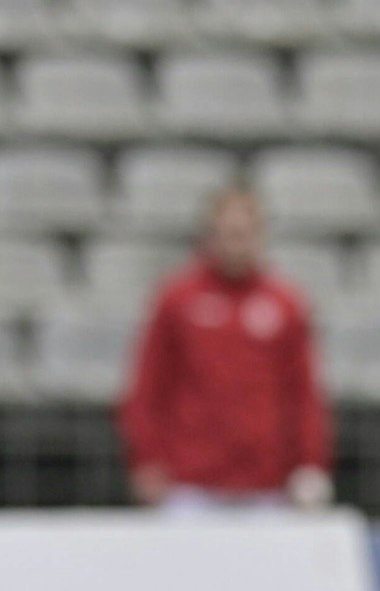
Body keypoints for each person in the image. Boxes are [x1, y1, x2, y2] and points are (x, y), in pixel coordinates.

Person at [119, 184, 333, 514]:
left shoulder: (285, 305)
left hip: (267, 485)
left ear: (260, 236)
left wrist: (309, 463)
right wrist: (147, 457)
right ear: (209, 236)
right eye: (228, 234)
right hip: (190, 485)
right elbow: (149, 385)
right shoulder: (177, 299)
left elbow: (302, 392)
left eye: (244, 234)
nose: (236, 245)